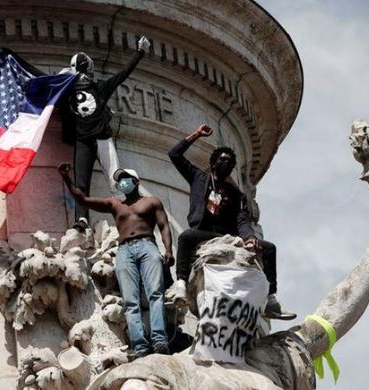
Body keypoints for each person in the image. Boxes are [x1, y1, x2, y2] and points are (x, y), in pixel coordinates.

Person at [166, 124, 296, 320]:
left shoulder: (237, 194)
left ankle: (270, 298)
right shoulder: (199, 177)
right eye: (221, 159)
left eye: (228, 160)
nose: (224, 162)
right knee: (185, 237)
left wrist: (251, 237)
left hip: (227, 234)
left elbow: (242, 220)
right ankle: (181, 284)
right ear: (213, 162)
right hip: (204, 230)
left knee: (269, 249)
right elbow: (174, 154)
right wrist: (196, 135)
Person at [58, 163, 173, 358]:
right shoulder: (115, 204)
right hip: (124, 250)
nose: (122, 183)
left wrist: (168, 249)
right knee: (130, 300)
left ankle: (160, 340)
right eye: (119, 180)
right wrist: (67, 178)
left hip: (147, 245)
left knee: (155, 293)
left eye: (125, 178)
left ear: (136, 181)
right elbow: (83, 199)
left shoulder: (152, 201)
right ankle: (139, 346)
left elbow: (164, 225)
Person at [61, 36, 151, 232]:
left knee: (110, 178)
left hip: (97, 139)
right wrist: (140, 53)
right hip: (91, 139)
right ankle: (84, 219)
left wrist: (139, 53)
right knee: (93, 180)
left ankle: (128, 212)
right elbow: (122, 75)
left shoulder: (83, 89)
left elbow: (121, 75)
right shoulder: (82, 89)